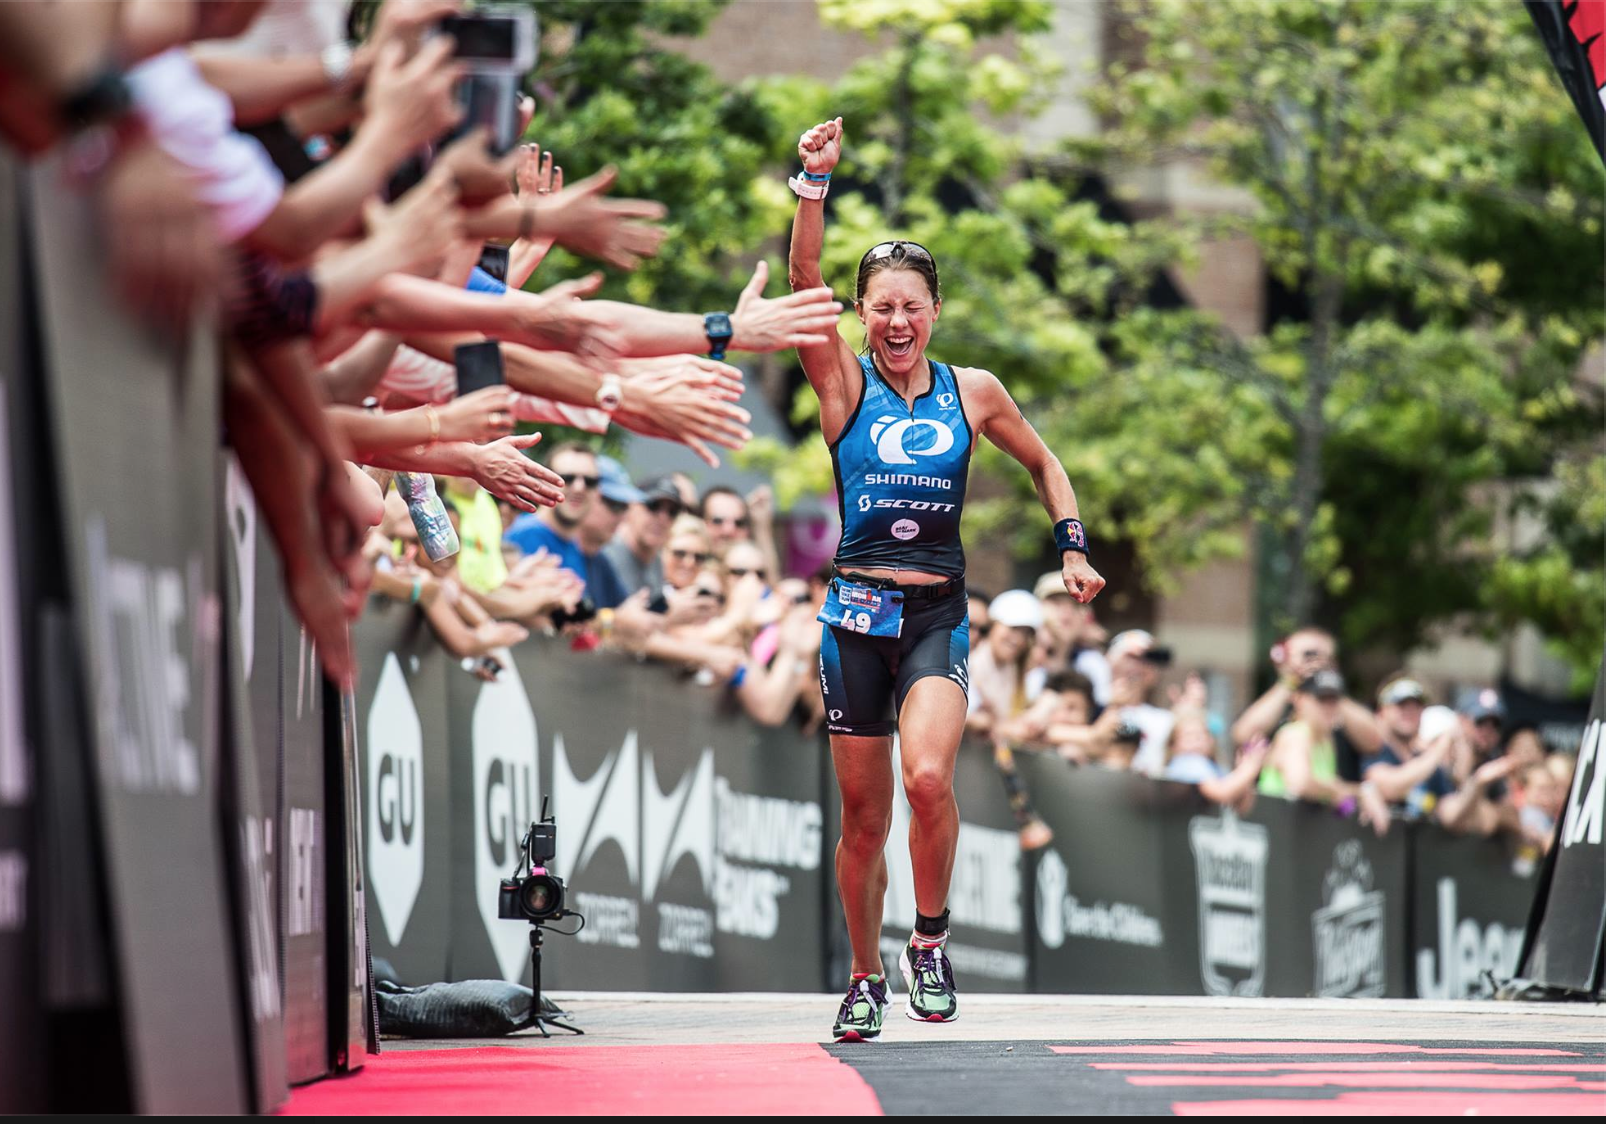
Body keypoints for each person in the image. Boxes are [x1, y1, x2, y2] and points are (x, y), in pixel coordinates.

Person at [788, 116, 1104, 1041]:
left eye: (912, 308)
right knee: (863, 819)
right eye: (881, 307)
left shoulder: (976, 391)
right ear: (861, 314)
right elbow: (803, 279)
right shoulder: (843, 385)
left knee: (927, 779)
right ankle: (863, 976)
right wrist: (813, 184)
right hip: (854, 619)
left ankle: (928, 940)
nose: (897, 323)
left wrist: (1072, 545)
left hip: (936, 615)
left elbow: (1044, 463)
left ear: (935, 313)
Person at [1230, 625, 1383, 782]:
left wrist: (1330, 684)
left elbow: (1374, 742)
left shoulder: (1340, 702)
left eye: (1320, 655)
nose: (1313, 660)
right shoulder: (1278, 699)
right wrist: (1290, 681)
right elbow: (1243, 735)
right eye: (1307, 654)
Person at [504, 441, 629, 608]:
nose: (579, 487)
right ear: (543, 482)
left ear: (598, 492)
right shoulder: (526, 535)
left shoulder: (573, 544)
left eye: (590, 481)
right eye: (567, 479)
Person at [603, 475, 681, 596]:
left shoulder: (656, 560)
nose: (663, 518)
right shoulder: (606, 554)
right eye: (653, 505)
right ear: (630, 506)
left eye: (672, 512)